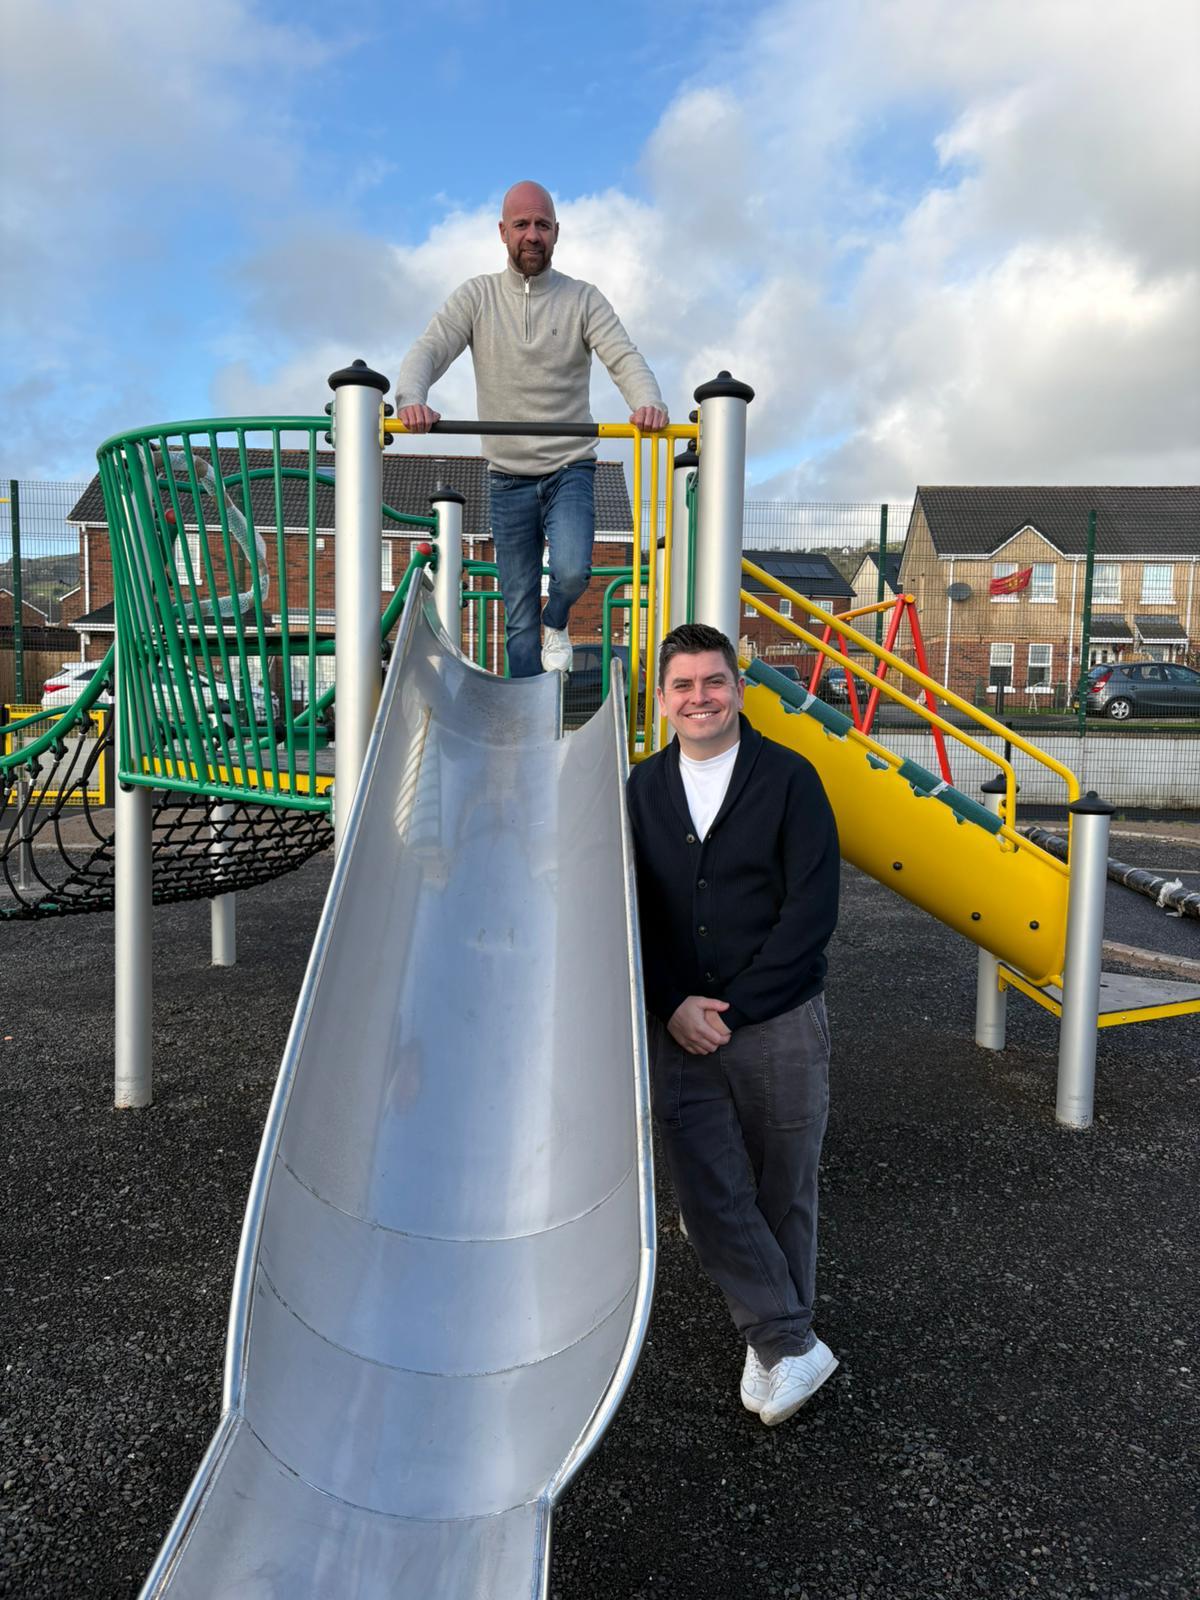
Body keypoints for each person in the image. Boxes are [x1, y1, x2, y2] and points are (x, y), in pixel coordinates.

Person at [625, 623, 841, 1426]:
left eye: (713, 682)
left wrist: (737, 1008)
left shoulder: (789, 779)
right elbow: (629, 911)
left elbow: (810, 910)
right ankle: (789, 1342)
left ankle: (770, 1338)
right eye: (682, 686)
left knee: (782, 1182)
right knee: (709, 1189)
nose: (699, 699)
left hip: (778, 1018)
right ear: (663, 699)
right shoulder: (641, 789)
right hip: (679, 1021)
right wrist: (671, 1003)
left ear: (738, 690)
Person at [395, 180, 668, 678]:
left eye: (542, 224)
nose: (532, 235)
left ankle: (558, 619)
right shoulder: (477, 297)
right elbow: (431, 347)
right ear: (503, 232)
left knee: (571, 571)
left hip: (569, 468)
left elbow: (623, 356)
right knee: (517, 617)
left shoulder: (583, 299)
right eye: (522, 224)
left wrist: (647, 401)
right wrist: (412, 397)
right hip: (507, 477)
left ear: (557, 232)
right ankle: (525, 731)